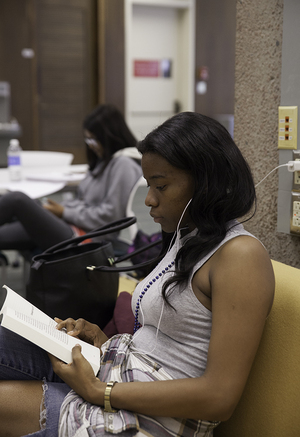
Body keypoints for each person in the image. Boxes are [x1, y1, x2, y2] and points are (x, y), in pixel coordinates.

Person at [0, 112, 275, 436]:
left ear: (206, 182)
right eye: (149, 185)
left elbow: (219, 397)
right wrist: (102, 340)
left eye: (161, 185)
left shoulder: (241, 257)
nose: (149, 200)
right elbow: (164, 342)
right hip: (115, 374)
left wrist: (98, 392)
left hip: (145, 417)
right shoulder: (189, 238)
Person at [0, 104, 142, 253]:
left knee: (17, 200)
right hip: (70, 225)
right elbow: (83, 201)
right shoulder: (104, 160)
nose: (91, 145)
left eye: (93, 140)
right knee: (28, 206)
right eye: (88, 140)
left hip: (85, 237)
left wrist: (64, 212)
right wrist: (59, 210)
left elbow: (110, 217)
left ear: (109, 136)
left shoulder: (123, 164)